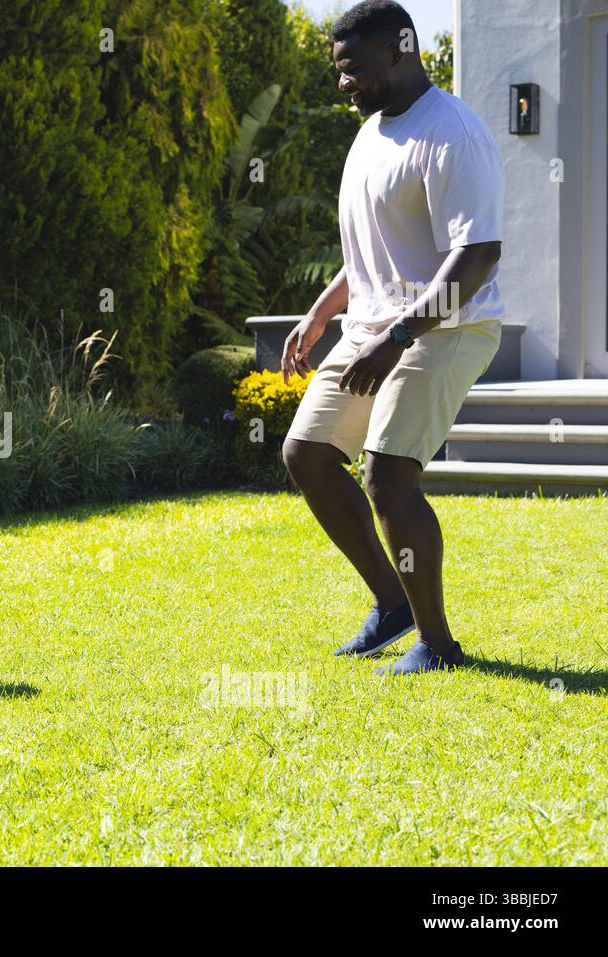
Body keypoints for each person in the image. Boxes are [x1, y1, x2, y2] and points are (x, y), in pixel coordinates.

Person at [280, 0, 505, 675]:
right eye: (337, 71)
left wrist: (400, 335)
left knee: (386, 472)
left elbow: (478, 254)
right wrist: (321, 313)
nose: (343, 83)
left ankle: (438, 645)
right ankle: (392, 602)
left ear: (399, 50)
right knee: (308, 453)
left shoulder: (452, 133)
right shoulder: (371, 133)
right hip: (373, 328)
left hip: (448, 326)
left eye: (352, 69)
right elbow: (374, 251)